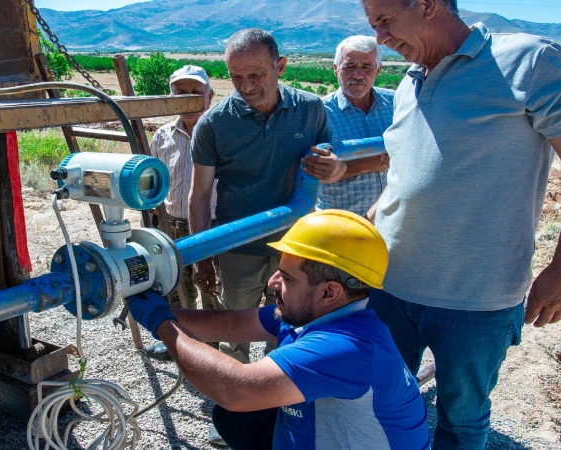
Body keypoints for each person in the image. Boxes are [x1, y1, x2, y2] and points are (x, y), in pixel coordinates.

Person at [360, 0, 561, 448]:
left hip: (474, 301)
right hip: (389, 286)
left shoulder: (529, 61)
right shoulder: (408, 82)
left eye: (383, 20)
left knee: (461, 418)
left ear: (426, 5)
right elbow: (407, 167)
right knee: (382, 401)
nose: (379, 37)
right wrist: (379, 212)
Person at [128, 210, 431, 450]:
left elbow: (234, 389)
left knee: (240, 404)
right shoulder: (319, 313)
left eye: (286, 277)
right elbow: (232, 324)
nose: (273, 283)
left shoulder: (348, 347)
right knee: (236, 418)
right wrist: (157, 308)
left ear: (329, 292)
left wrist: (163, 325)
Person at [189, 28, 347, 365]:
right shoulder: (213, 124)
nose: (246, 87)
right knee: (235, 332)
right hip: (238, 250)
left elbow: (331, 166)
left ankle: (279, 401)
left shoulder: (311, 109)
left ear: (281, 66)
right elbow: (200, 194)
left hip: (294, 247)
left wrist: (334, 170)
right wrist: (202, 256)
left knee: (289, 328)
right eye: (236, 77)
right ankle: (236, 403)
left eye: (256, 75)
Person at [148, 65, 220, 312]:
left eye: (195, 91)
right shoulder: (162, 136)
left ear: (209, 96)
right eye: (180, 92)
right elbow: (152, 183)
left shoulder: (221, 134)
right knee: (176, 291)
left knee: (213, 293)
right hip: (172, 227)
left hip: (213, 227)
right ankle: (183, 345)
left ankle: (212, 347)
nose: (188, 98)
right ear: (171, 98)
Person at [316, 35, 393, 215]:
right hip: (342, 224)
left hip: (392, 224)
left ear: (378, 70)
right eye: (349, 66)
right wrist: (373, 163)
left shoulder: (397, 103)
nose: (358, 75)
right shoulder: (319, 113)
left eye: (366, 67)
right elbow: (314, 170)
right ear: (335, 69)